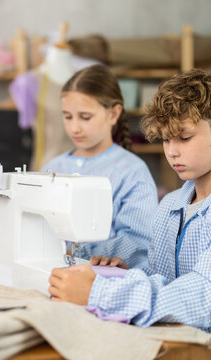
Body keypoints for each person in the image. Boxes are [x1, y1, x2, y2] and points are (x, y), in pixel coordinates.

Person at [48, 69, 211, 358]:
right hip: (187, 346)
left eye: (184, 138)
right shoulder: (172, 204)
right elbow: (166, 278)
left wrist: (101, 294)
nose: (172, 152)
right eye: (167, 140)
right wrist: (126, 275)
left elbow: (205, 298)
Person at [41, 65, 158, 269]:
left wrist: (85, 254)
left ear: (113, 114)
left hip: (103, 278)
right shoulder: (53, 167)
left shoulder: (132, 172)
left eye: (85, 117)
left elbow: (138, 240)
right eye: (67, 116)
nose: (74, 127)